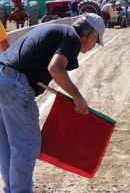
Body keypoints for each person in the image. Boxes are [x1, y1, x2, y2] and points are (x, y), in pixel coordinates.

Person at [0, 13, 105, 193]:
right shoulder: (71, 38)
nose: (92, 46)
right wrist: (77, 96)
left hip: (3, 76)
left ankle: (12, 189)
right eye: (95, 43)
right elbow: (55, 68)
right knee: (27, 144)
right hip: (15, 83)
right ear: (91, 36)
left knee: (9, 144)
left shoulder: (57, 30)